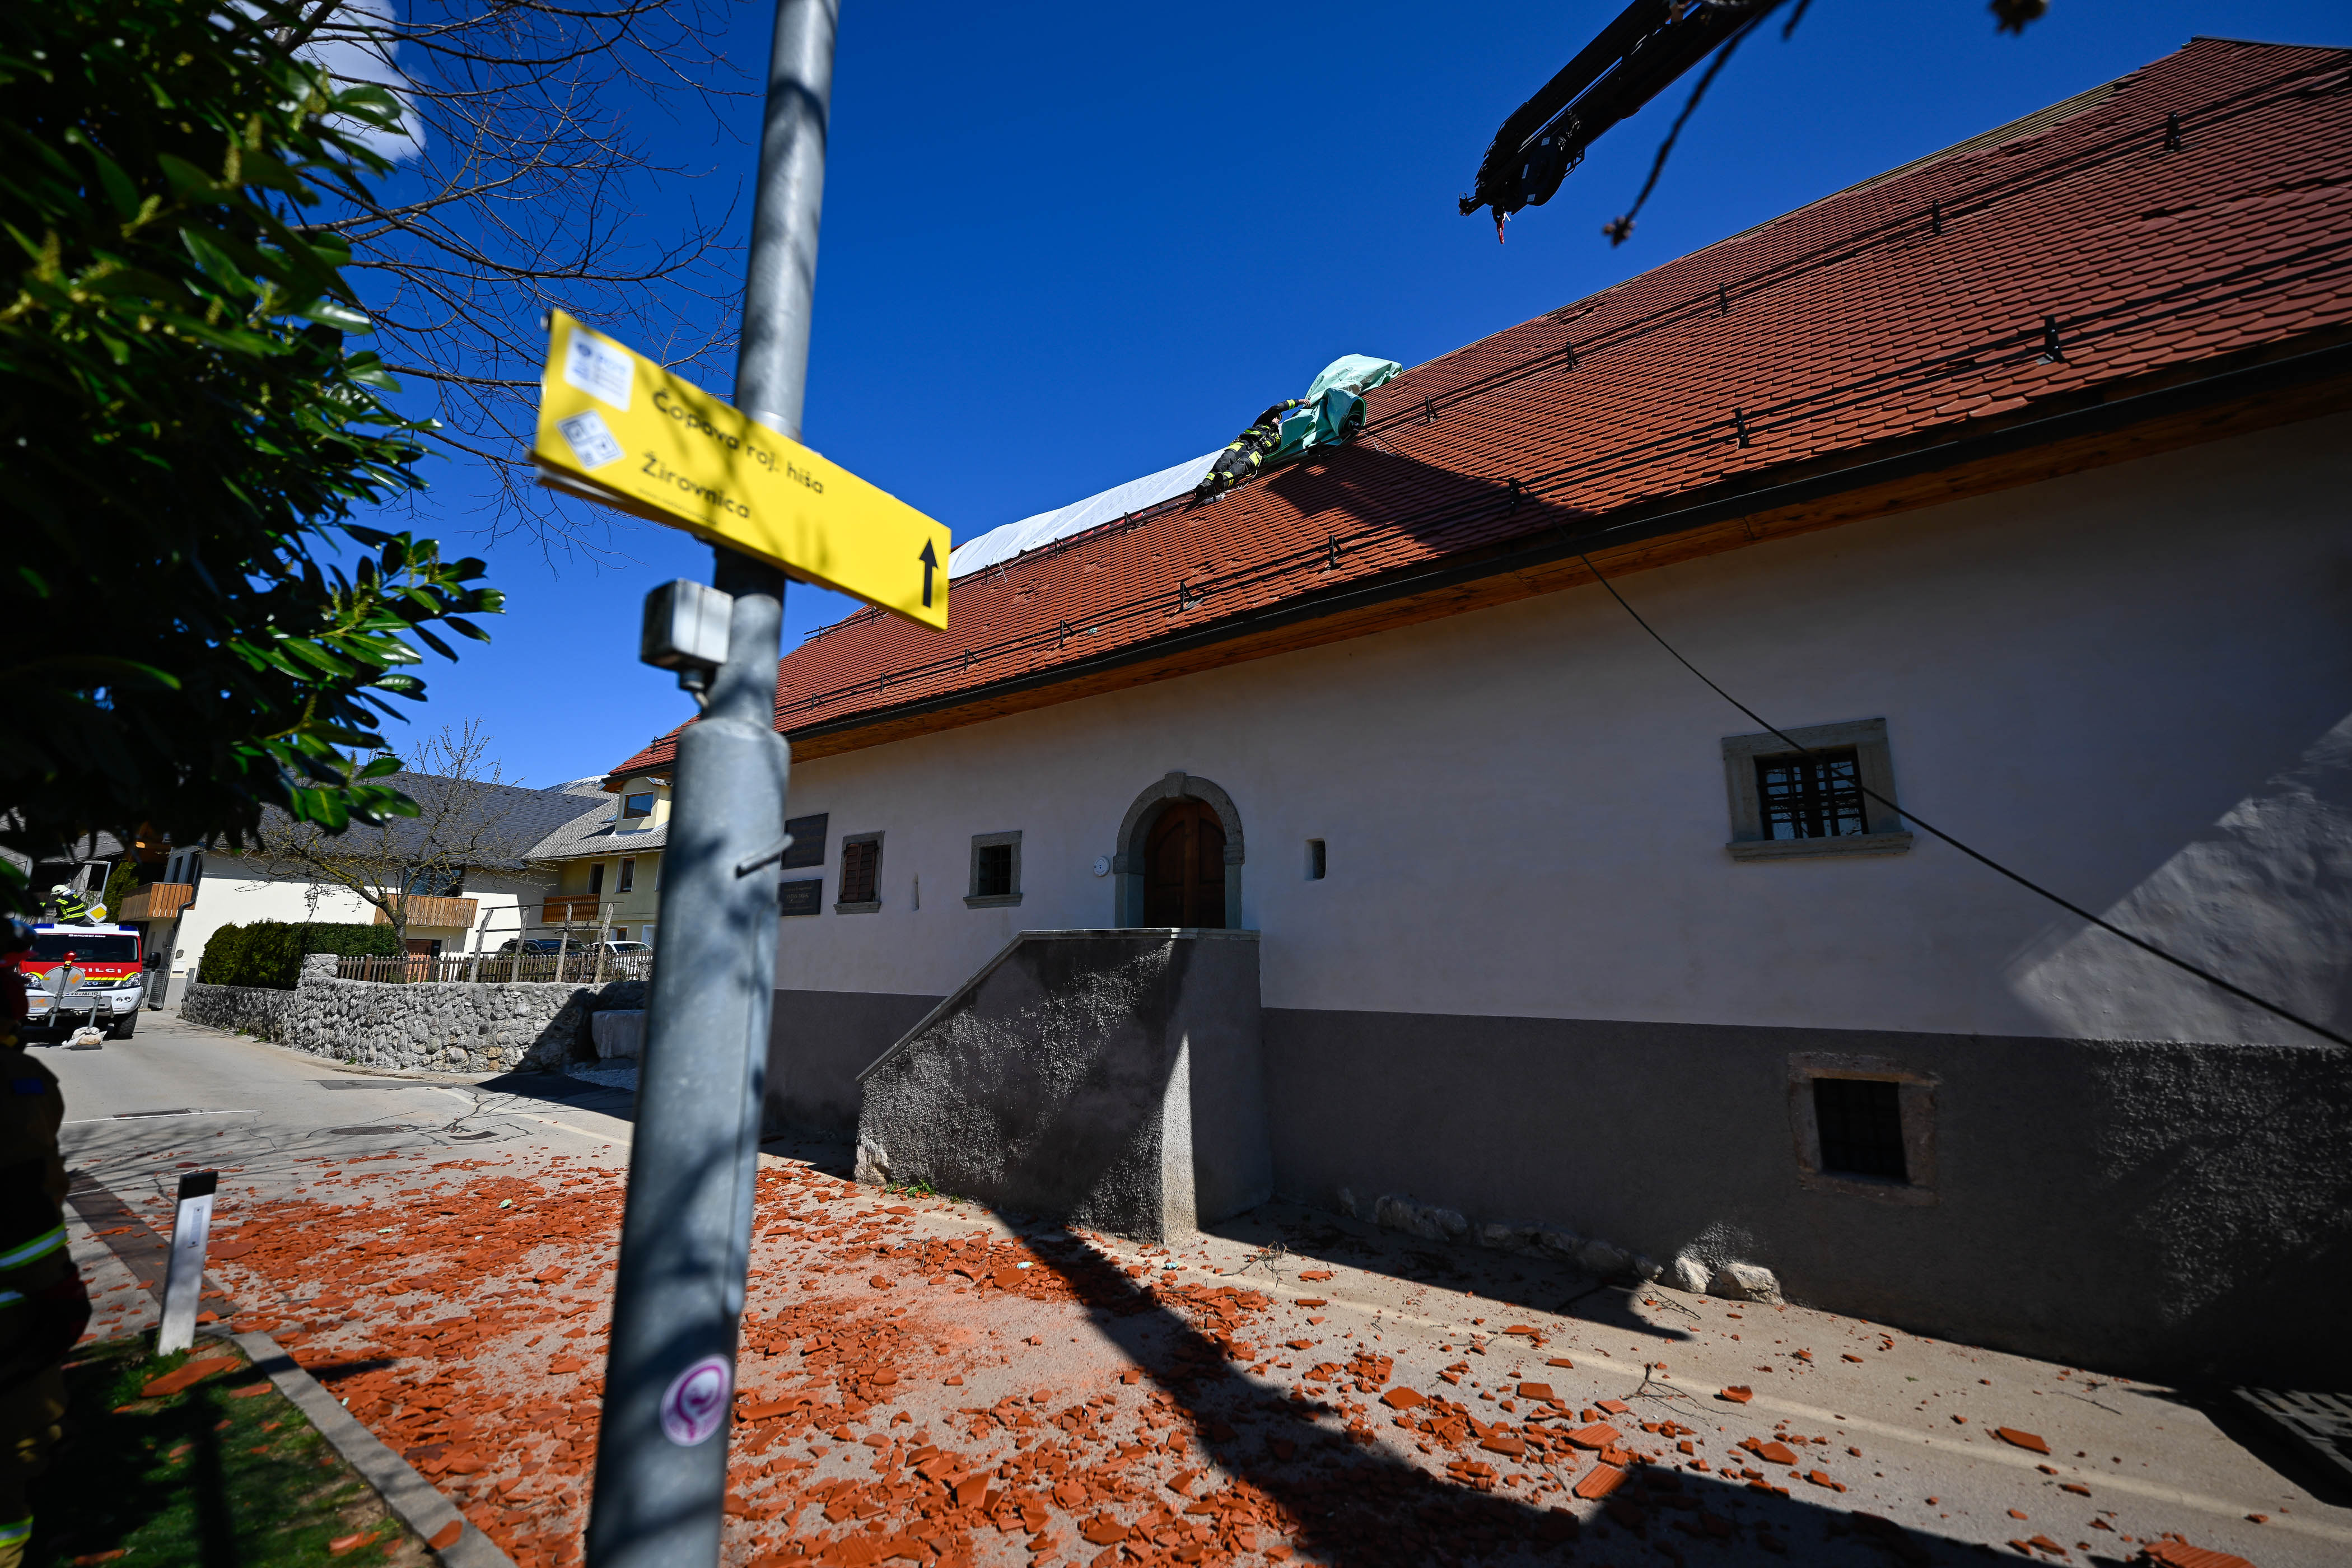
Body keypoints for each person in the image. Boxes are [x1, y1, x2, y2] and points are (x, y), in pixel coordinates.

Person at [0, 916, 90, 1567]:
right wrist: (56, 1288)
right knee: (16, 1453)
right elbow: (23, 1196)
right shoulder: (19, 1083)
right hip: (17, 1318)